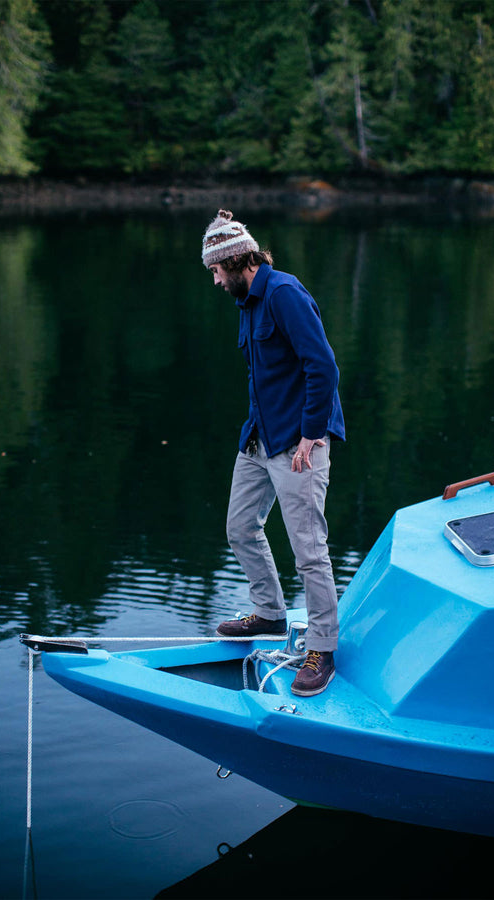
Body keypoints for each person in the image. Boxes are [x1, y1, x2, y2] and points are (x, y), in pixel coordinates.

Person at [202, 209, 345, 696]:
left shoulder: (284, 293)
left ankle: (322, 648)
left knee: (309, 549)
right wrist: (253, 433)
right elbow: (263, 376)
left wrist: (310, 433)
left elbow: (323, 366)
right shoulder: (247, 301)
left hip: (300, 442)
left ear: (236, 260)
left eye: (216, 270)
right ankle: (268, 613)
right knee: (240, 526)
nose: (215, 281)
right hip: (260, 436)